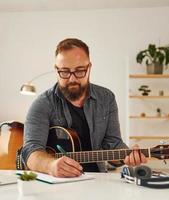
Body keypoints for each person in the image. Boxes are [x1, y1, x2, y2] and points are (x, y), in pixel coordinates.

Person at [21, 38, 147, 177]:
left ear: (89, 68)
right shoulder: (42, 104)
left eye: (80, 71)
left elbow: (113, 144)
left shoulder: (106, 98)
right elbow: (30, 151)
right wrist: (51, 165)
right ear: (56, 70)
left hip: (98, 180)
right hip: (57, 185)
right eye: (64, 72)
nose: (72, 79)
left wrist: (127, 156)